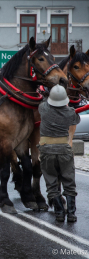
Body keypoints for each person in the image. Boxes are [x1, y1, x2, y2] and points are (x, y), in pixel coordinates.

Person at [38, 85, 80, 222]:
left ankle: (59, 213)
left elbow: (42, 101)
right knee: (69, 182)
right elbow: (76, 120)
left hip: (46, 150)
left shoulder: (43, 109)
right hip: (64, 150)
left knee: (51, 182)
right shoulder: (70, 112)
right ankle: (72, 214)